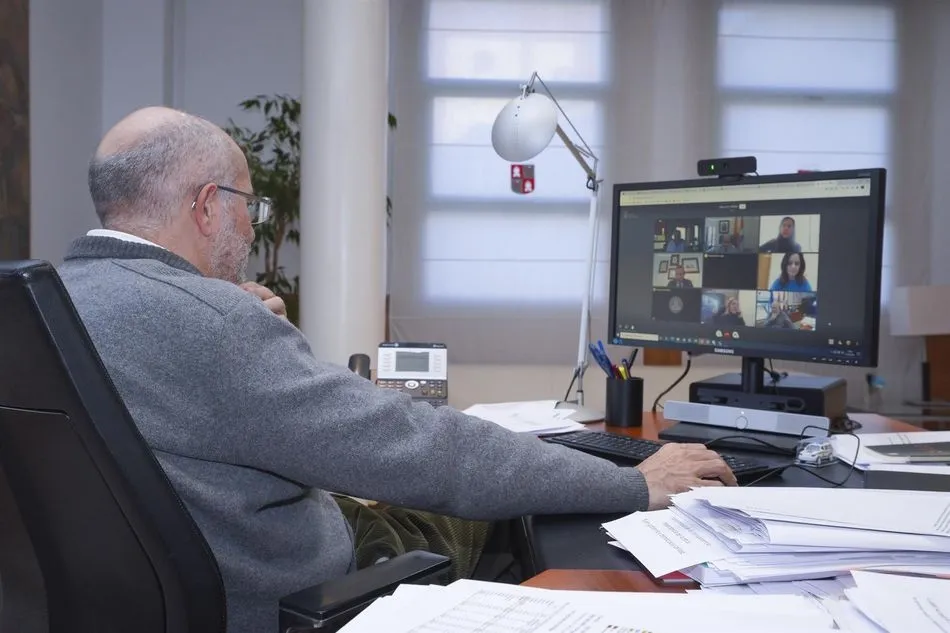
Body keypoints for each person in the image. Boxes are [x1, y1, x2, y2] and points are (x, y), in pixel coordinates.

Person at [56, 107, 736, 633]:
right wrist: (629, 480)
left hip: (129, 595)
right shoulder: (212, 324)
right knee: (502, 511)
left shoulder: (50, 300)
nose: (252, 225)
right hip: (291, 589)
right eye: (246, 204)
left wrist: (234, 324)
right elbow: (430, 452)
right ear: (206, 206)